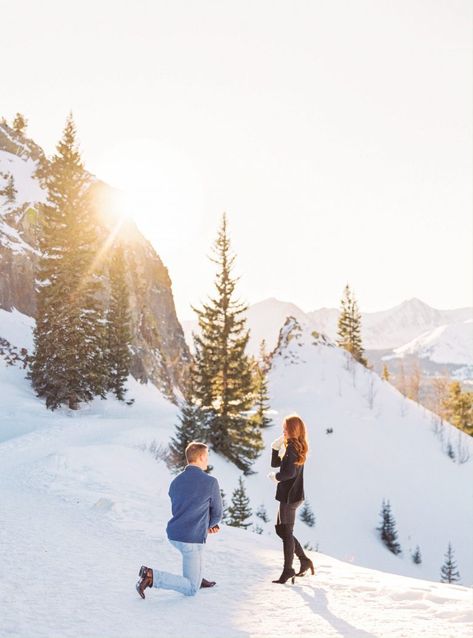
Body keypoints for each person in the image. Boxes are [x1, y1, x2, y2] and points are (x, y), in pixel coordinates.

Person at [136, 441, 223, 598]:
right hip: (191, 539)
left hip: (175, 534)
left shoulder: (175, 482)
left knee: (194, 555)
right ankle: (152, 576)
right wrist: (208, 525)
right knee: (191, 589)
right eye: (207, 457)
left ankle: (197, 577)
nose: (208, 460)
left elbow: (184, 508)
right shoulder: (210, 482)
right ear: (202, 457)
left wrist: (203, 524)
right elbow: (217, 514)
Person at [268, 414, 315, 584]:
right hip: (291, 496)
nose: (283, 431)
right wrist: (275, 447)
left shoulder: (293, 448)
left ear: (293, 430)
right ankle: (304, 560)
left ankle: (288, 570)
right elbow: (276, 464)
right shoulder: (295, 446)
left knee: (286, 533)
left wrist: (276, 478)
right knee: (281, 530)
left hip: (290, 497)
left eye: (286, 429)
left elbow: (288, 473)